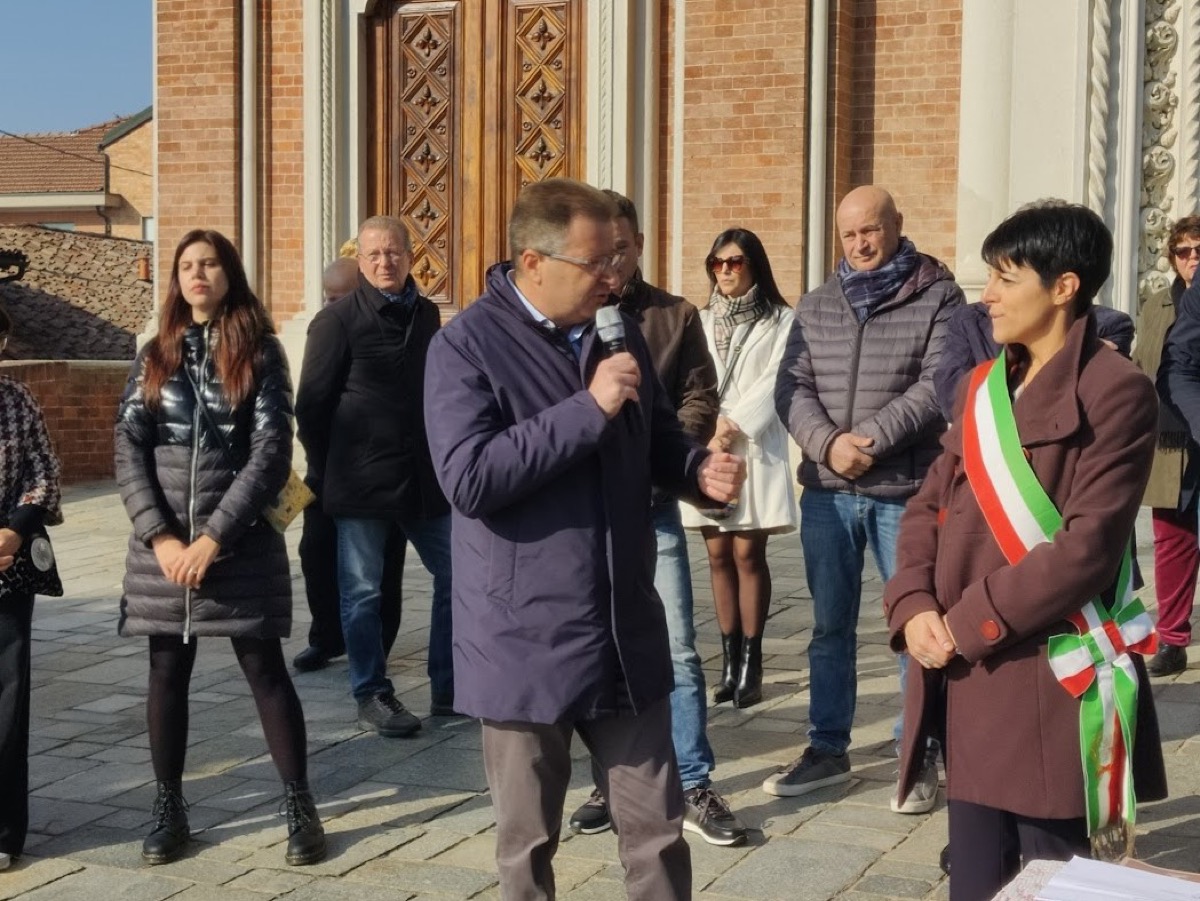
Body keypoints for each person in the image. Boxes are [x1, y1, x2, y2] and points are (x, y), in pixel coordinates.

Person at [423, 178, 746, 900]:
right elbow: (469, 478)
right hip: (522, 639)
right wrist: (587, 408)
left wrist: (697, 469)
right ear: (533, 263)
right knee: (528, 846)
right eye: (596, 262)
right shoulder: (465, 346)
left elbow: (655, 436)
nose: (614, 276)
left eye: (618, 258)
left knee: (658, 833)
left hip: (623, 629)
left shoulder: (616, 329)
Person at [886, 201, 1166, 901]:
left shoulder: (1117, 391)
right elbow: (927, 505)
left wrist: (964, 624)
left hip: (1047, 679)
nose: (987, 296)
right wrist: (913, 603)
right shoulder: (983, 387)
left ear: (1064, 286)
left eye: (1006, 279)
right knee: (976, 880)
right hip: (967, 678)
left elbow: (1086, 549)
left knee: (1054, 882)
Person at [114, 229, 325, 867]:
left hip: (238, 543)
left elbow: (271, 452)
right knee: (165, 671)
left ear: (228, 272)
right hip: (163, 548)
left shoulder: (260, 351)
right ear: (176, 279)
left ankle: (299, 805)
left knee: (264, 669)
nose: (197, 274)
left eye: (208, 263)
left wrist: (212, 539)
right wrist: (161, 536)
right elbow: (128, 447)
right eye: (187, 265)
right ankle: (169, 808)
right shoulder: (155, 353)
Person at [771, 185, 963, 812]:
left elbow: (938, 383)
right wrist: (828, 446)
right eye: (849, 233)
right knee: (830, 627)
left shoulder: (938, 294)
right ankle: (827, 747)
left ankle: (919, 748)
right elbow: (791, 386)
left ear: (897, 224)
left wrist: (872, 442)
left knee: (915, 622)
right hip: (828, 493)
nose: (860, 244)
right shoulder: (817, 303)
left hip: (903, 490)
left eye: (871, 230)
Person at [567, 190, 746, 847]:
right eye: (599, 252)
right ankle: (609, 780)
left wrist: (665, 456)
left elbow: (699, 395)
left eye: (621, 248)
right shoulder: (568, 316)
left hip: (651, 506)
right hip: (584, 515)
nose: (610, 263)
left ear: (639, 243)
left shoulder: (673, 315)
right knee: (595, 645)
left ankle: (693, 779)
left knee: (675, 647)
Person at [296, 216, 455, 735]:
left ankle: (450, 688)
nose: (385, 262)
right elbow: (311, 406)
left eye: (393, 252)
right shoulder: (336, 321)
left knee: (459, 573)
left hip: (422, 480)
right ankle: (372, 692)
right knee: (362, 591)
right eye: (374, 255)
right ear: (360, 261)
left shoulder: (427, 314)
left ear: (411, 256)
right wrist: (330, 468)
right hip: (360, 482)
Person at [680, 228, 796, 709]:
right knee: (717, 555)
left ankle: (752, 663)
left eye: (735, 262)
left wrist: (733, 425)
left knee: (748, 553)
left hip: (753, 446)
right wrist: (709, 431)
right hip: (708, 447)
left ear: (754, 266)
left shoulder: (782, 320)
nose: (725, 271)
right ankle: (728, 663)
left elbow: (777, 378)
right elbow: (690, 377)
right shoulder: (700, 319)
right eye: (717, 263)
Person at [292, 257, 406, 673]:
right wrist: (318, 457)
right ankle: (325, 637)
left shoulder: (386, 326)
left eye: (340, 296)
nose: (332, 304)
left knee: (380, 563)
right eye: (328, 296)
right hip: (327, 466)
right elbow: (310, 401)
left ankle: (377, 645)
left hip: (378, 471)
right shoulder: (325, 326)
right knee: (315, 551)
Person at [0, 307, 62, 873]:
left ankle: (3, 830)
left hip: (5, 565)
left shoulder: (17, 400)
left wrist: (14, 530)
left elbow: (43, 473)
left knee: (7, 696)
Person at [1139, 215, 1200, 677]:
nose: (1192, 259)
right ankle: (1173, 639)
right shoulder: (1157, 305)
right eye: (1184, 251)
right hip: (1172, 439)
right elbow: (1144, 365)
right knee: (1173, 543)